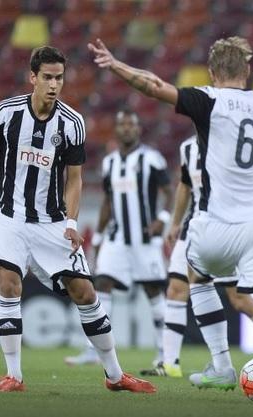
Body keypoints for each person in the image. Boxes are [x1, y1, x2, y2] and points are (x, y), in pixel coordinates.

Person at [87, 36, 253, 410]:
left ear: (212, 72)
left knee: (197, 279)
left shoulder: (209, 100)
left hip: (213, 224)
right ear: (248, 70)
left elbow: (154, 86)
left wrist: (116, 65)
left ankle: (222, 365)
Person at [0, 46, 155, 393]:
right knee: (8, 283)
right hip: (11, 217)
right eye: (48, 77)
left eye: (59, 78)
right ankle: (14, 376)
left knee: (85, 292)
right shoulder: (6, 113)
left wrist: (71, 222)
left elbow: (75, 179)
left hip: (52, 223)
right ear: (32, 78)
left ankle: (115, 376)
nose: (54, 84)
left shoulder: (73, 123)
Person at [151, 134, 253, 378]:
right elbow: (185, 184)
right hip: (193, 227)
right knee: (176, 289)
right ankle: (170, 364)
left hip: (225, 228)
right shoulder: (187, 147)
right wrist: (176, 221)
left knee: (239, 299)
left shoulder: (231, 141)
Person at [64, 109, 173, 373]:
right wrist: (99, 237)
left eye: (131, 125)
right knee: (100, 283)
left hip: (145, 238)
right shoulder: (109, 162)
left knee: (153, 291)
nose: (126, 129)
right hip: (116, 237)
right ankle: (93, 350)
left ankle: (165, 352)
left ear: (138, 129)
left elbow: (169, 192)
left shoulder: (152, 159)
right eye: (122, 124)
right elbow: (108, 201)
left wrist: (162, 218)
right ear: (116, 130)